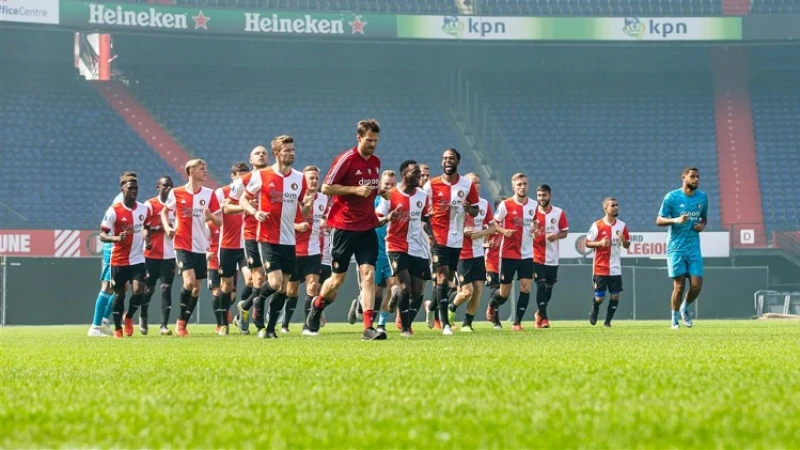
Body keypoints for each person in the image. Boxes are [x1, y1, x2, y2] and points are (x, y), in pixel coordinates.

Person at [306, 119, 385, 341]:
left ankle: (368, 328)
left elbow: (370, 188)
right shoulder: (346, 159)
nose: (373, 145)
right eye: (369, 140)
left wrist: (380, 192)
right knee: (337, 280)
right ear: (359, 138)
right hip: (344, 228)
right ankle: (318, 305)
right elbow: (326, 187)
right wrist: (354, 189)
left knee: (368, 275)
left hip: (367, 227)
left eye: (376, 141)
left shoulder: (376, 161)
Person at [233, 135, 313, 339]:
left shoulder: (298, 178)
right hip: (267, 237)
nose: (292, 153)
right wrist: (253, 212)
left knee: (284, 288)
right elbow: (243, 199)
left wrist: (307, 205)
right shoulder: (262, 176)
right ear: (277, 153)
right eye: (287, 150)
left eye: (293, 149)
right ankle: (256, 302)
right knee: (275, 282)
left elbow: (302, 209)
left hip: (289, 240)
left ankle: (269, 329)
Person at [423, 148, 479, 335]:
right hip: (438, 239)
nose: (448, 161)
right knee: (442, 277)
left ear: (457, 161)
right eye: (445, 158)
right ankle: (445, 324)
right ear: (442, 162)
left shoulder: (467, 185)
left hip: (456, 240)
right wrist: (430, 235)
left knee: (448, 282)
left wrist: (468, 207)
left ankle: (431, 307)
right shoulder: (431, 185)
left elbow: (475, 211)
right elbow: (423, 213)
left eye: (451, 158)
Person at [162, 159, 221, 337]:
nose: (205, 171)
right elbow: (164, 211)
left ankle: (183, 323)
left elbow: (219, 221)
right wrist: (167, 228)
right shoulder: (176, 192)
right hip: (181, 244)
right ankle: (180, 323)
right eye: (202, 169)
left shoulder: (210, 194)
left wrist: (210, 215)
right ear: (191, 171)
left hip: (200, 247)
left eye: (206, 168)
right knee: (188, 282)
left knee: (195, 287)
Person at [376, 160, 428, 337]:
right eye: (416, 173)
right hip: (396, 245)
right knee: (406, 287)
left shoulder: (422, 196)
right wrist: (390, 217)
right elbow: (378, 219)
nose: (419, 177)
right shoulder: (390, 195)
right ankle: (405, 328)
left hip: (417, 248)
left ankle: (396, 296)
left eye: (420, 174)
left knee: (418, 291)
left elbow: (426, 219)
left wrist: (434, 236)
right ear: (405, 174)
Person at [99, 173, 153, 339]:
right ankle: (117, 329)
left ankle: (128, 316)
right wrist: (116, 238)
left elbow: (147, 226)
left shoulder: (144, 209)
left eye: (136, 188)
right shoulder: (114, 210)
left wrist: (147, 238)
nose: (133, 191)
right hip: (119, 260)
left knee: (139, 290)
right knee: (119, 294)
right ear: (122, 188)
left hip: (137, 259)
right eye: (130, 188)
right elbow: (102, 235)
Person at [657, 167, 708, 329]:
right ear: (683, 178)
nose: (696, 179)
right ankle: (674, 319)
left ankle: (684, 307)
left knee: (697, 285)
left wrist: (702, 225)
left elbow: (704, 218)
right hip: (676, 248)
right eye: (692, 176)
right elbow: (659, 220)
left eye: (698, 177)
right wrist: (676, 220)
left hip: (693, 248)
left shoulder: (703, 197)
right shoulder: (672, 197)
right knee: (679, 286)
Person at [88, 172, 137, 337]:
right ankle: (95, 326)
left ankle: (104, 321)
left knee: (122, 288)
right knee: (108, 287)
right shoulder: (119, 202)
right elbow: (107, 229)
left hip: (124, 252)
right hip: (114, 251)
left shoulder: (131, 202)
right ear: (123, 185)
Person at [348, 170, 396, 330]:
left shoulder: (397, 201)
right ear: (380, 185)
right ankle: (359, 303)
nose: (389, 187)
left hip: (391, 250)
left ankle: (382, 324)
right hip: (373, 251)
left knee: (393, 287)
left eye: (392, 184)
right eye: (386, 184)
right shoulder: (372, 201)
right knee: (374, 292)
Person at [228, 145, 269, 335]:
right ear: (251, 160)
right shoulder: (243, 180)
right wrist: (246, 208)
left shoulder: (274, 177)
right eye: (257, 153)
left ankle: (244, 307)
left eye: (264, 153)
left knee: (278, 281)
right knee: (258, 277)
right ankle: (258, 316)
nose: (261, 155)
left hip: (275, 235)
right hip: (252, 235)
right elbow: (227, 207)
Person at [282, 165, 328, 333]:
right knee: (291, 291)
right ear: (303, 180)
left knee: (313, 286)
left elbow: (326, 217)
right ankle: (285, 324)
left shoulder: (323, 199)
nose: (315, 181)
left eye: (317, 178)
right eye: (311, 178)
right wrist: (296, 225)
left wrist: (326, 222)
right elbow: (282, 221)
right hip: (294, 251)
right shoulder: (293, 198)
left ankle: (307, 325)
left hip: (314, 251)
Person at [489, 173, 536, 331]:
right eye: (519, 184)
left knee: (526, 286)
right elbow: (494, 224)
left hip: (527, 254)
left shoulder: (534, 205)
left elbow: (536, 223)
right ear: (513, 187)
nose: (522, 187)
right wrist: (504, 231)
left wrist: (537, 229)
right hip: (509, 254)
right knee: (504, 292)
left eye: (525, 184)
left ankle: (517, 323)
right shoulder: (506, 205)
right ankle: (492, 304)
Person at [448, 173, 495, 332]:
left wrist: (481, 233)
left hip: (478, 254)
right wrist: (463, 231)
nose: (477, 186)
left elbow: (493, 227)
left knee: (479, 290)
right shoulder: (456, 204)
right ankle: (451, 307)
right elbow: (447, 227)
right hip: (461, 254)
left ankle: (467, 324)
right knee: (467, 292)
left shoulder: (484, 204)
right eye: (473, 183)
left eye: (479, 183)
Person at [215, 162, 251, 336]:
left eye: (246, 175)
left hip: (246, 244)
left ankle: (241, 312)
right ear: (233, 175)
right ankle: (223, 324)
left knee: (252, 280)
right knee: (227, 285)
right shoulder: (221, 193)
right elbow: (214, 217)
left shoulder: (252, 192)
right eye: (239, 175)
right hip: (227, 245)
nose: (243, 179)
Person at [585, 198, 630, 327]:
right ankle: (595, 307)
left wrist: (624, 240)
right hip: (600, 267)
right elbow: (587, 242)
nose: (616, 207)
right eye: (612, 205)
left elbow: (627, 245)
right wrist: (599, 243)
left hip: (615, 267)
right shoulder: (597, 225)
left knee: (615, 296)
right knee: (600, 298)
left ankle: (607, 322)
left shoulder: (622, 226)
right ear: (606, 208)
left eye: (617, 205)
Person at [141, 176, 176, 336]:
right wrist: (148, 238)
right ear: (158, 187)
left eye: (170, 186)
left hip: (169, 254)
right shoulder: (150, 205)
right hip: (151, 254)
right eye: (165, 185)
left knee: (166, 288)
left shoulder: (176, 206)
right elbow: (143, 227)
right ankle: (143, 316)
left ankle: (163, 325)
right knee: (148, 288)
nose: (168, 188)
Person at [531, 184, 569, 328]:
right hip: (536, 256)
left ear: (550, 196)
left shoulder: (559, 213)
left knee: (549, 288)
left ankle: (539, 313)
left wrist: (556, 236)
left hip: (552, 258)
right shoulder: (532, 212)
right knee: (540, 285)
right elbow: (525, 231)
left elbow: (565, 232)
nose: (541, 198)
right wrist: (532, 234)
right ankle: (544, 318)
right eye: (539, 195)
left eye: (544, 195)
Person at [484, 197, 504, 329]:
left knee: (504, 293)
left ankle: (491, 305)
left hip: (505, 261)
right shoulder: (489, 224)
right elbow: (480, 240)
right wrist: (487, 244)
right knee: (494, 289)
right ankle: (496, 322)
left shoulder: (510, 223)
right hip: (491, 261)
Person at [206, 221, 225, 334]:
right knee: (216, 292)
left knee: (231, 296)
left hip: (228, 261)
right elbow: (200, 240)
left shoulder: (231, 221)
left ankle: (224, 309)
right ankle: (220, 324)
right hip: (213, 262)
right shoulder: (209, 225)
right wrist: (205, 253)